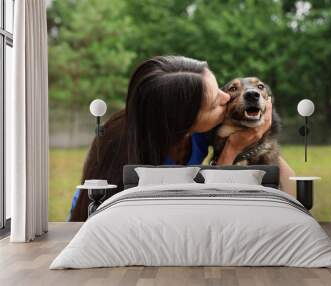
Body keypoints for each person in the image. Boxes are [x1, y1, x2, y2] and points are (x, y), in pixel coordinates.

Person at [68, 55, 295, 222]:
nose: (226, 98)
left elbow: (285, 175)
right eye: (216, 102)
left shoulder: (200, 134)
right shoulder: (130, 156)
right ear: (183, 122)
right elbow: (198, 215)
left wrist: (259, 135)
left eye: (219, 89)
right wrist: (230, 152)